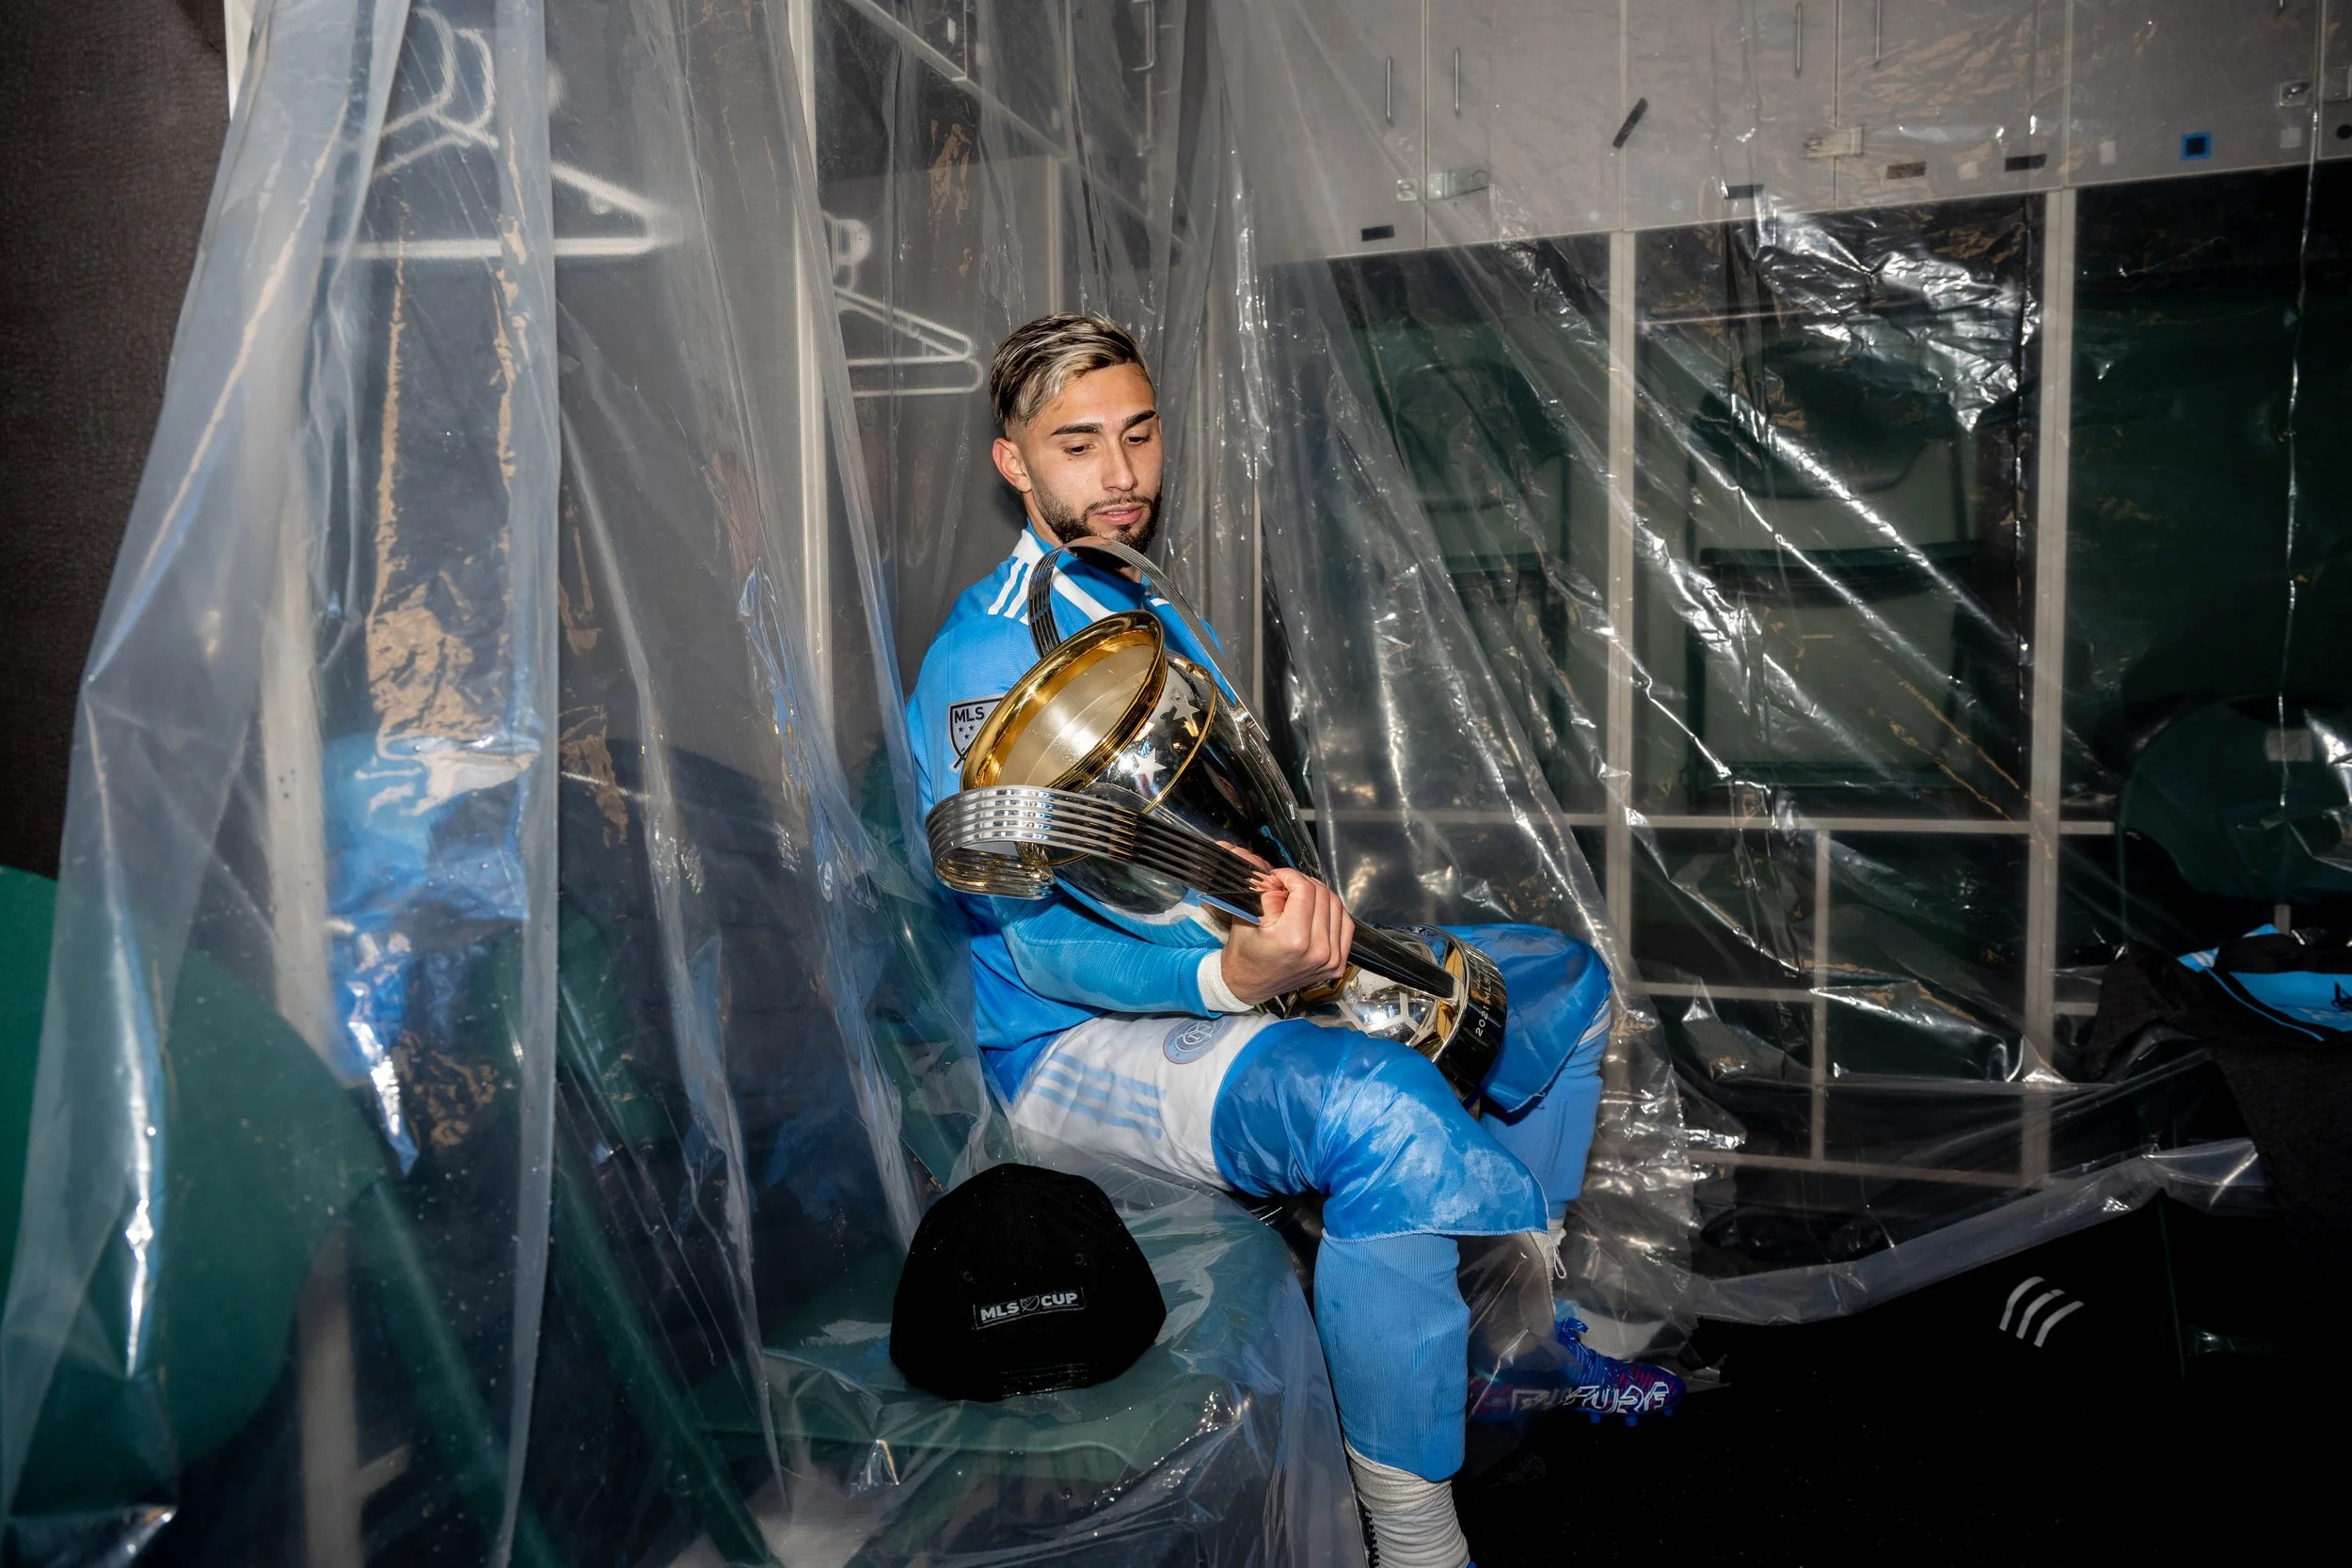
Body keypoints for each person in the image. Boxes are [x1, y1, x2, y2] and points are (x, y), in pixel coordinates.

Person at [906, 313, 1680, 1568]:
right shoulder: (992, 660)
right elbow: (1038, 941)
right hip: (1071, 1040)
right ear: (1013, 464)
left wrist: (1294, 950)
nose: (1122, 475)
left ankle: (1519, 1341)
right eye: (1079, 445)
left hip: (1235, 984)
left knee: (1558, 984)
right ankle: (1415, 1537)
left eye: (1141, 434)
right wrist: (1228, 974)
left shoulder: (1134, 599)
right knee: (1379, 1112)